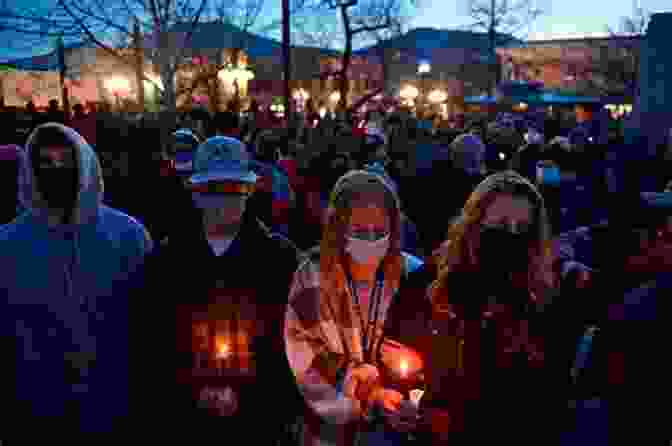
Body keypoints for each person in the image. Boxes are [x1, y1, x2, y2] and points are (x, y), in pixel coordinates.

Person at [140, 135, 303, 442]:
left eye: (233, 190)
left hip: (262, 423)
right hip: (184, 422)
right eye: (211, 190)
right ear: (194, 192)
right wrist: (191, 389)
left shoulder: (279, 259)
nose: (222, 200)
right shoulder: (166, 261)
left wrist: (254, 395)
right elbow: (152, 342)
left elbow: (293, 342)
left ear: (249, 191)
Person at [386, 171, 566, 445]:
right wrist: (396, 402)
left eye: (521, 229)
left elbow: (546, 393)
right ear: (475, 223)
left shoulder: (540, 296)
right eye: (502, 224)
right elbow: (395, 350)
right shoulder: (432, 281)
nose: (511, 236)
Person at [0, 123, 152, 436]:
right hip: (36, 409)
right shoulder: (8, 244)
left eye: (65, 161)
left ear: (83, 164)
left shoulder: (127, 235)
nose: (56, 171)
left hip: (117, 403)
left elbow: (151, 318)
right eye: (45, 163)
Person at [285, 169, 424, 446]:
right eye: (360, 231)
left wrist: (414, 396)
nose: (371, 240)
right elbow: (306, 357)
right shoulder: (312, 277)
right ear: (338, 228)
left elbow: (429, 355)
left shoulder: (412, 276)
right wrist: (372, 394)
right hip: (327, 434)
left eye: (380, 231)